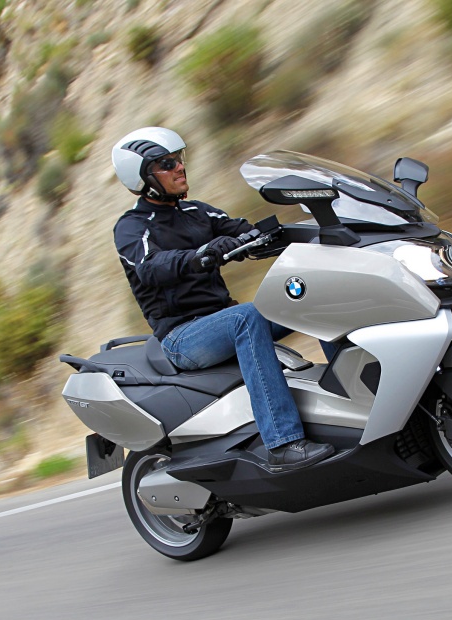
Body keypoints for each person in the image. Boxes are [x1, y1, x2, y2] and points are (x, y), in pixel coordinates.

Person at [111, 126, 334, 472]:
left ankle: (354, 398)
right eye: (167, 164)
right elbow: (150, 267)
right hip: (182, 335)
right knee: (247, 317)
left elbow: (242, 230)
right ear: (143, 177)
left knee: (311, 292)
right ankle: (283, 443)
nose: (180, 167)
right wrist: (200, 255)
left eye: (179, 159)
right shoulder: (132, 226)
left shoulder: (197, 212)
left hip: (222, 320)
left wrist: (305, 228)